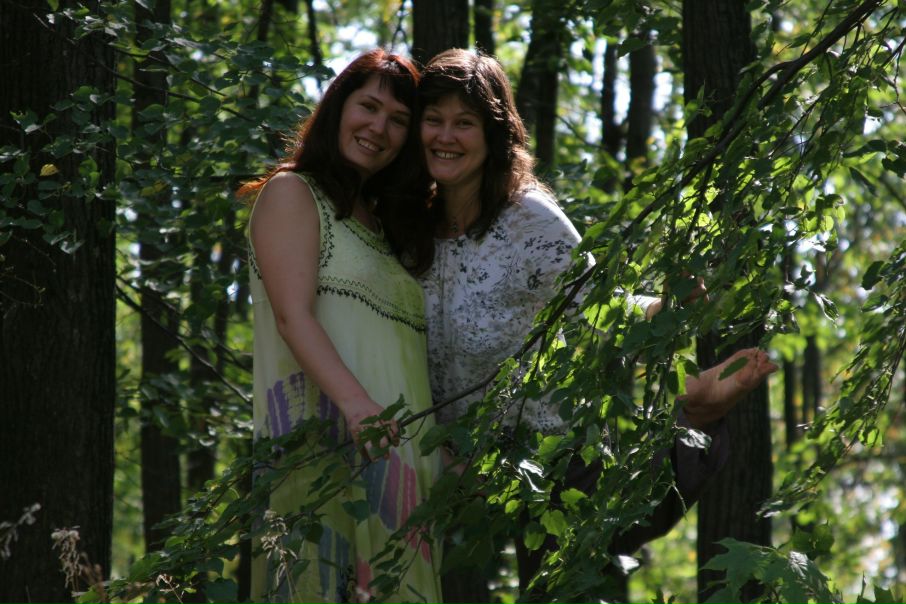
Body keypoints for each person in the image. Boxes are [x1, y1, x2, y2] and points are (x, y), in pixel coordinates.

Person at [404, 48, 778, 603]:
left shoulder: (528, 219)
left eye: (464, 123)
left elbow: (599, 306)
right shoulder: (408, 217)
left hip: (545, 450)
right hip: (448, 453)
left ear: (494, 134)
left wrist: (664, 307)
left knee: (577, 565)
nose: (445, 136)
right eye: (433, 119)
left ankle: (692, 418)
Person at [239, 49, 443, 604]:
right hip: (327, 449)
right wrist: (358, 408)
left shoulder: (383, 226)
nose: (379, 128)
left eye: (398, 120)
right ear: (337, 108)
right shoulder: (293, 192)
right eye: (368, 107)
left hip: (403, 474)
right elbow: (292, 316)